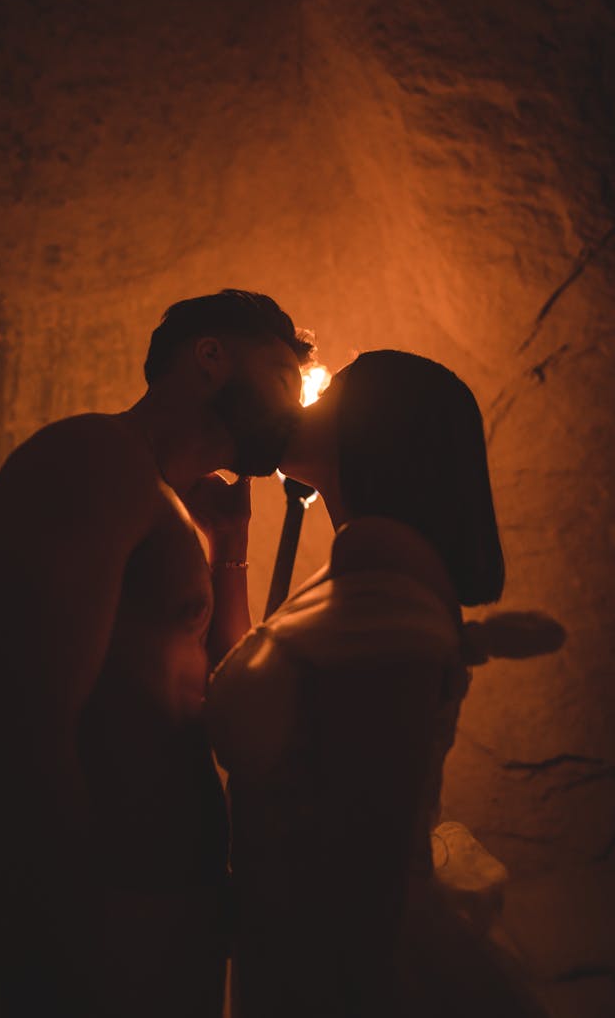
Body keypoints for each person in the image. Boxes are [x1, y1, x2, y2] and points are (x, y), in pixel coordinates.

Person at [0, 289, 313, 1018]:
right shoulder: (94, 459)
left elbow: (223, 695)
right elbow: (14, 737)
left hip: (159, 929)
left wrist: (231, 558)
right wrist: (54, 964)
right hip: (92, 928)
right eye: (283, 372)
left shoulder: (181, 511)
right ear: (211, 358)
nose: (297, 402)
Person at [208, 349, 548, 1018]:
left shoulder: (384, 586)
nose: (310, 398)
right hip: (298, 950)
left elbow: (368, 856)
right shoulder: (360, 575)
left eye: (332, 388)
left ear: (376, 425)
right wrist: (232, 545)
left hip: (336, 972)